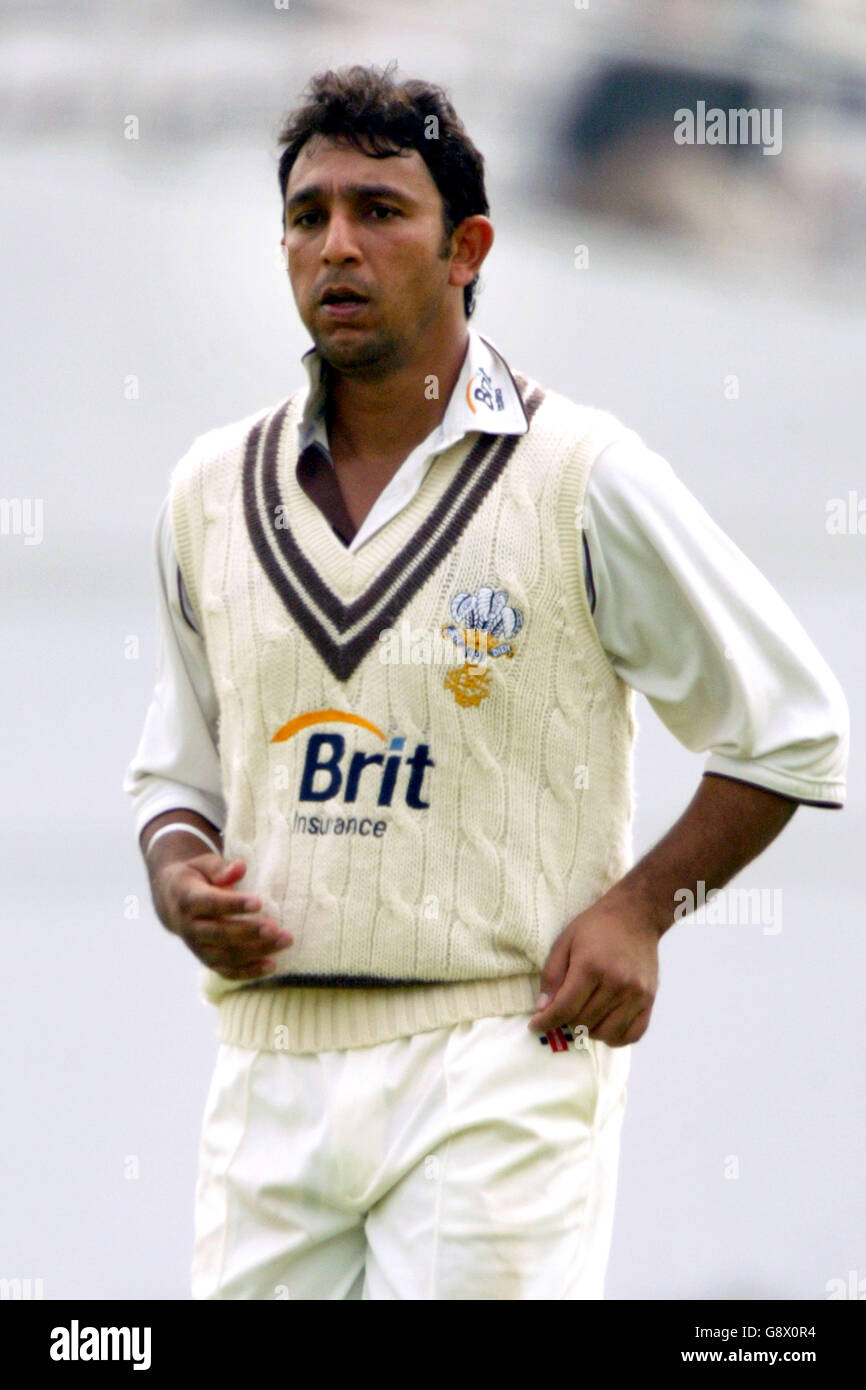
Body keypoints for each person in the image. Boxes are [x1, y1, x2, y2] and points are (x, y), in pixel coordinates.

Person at [123, 64, 849, 1301]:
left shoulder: (580, 472)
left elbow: (791, 729)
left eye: (378, 210)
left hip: (500, 1047)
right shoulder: (209, 490)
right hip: (267, 1060)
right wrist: (177, 875)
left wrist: (639, 910)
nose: (336, 245)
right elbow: (177, 776)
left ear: (467, 246)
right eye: (308, 217)